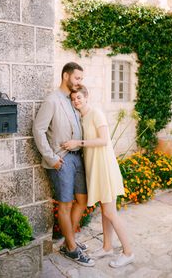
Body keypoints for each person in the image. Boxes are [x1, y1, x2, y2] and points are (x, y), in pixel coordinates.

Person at [62, 85, 134, 268]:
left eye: (79, 97)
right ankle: (107, 247)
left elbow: (104, 140)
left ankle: (128, 252)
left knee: (110, 212)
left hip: (104, 167)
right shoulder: (82, 117)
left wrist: (78, 142)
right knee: (104, 211)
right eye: (73, 99)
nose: (76, 101)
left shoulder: (96, 113)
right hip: (95, 168)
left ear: (86, 96)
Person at [32, 62, 95, 267]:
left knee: (82, 201)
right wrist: (51, 158)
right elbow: (38, 130)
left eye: (81, 79)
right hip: (62, 160)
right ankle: (71, 248)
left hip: (78, 157)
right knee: (66, 205)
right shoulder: (52, 100)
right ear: (66, 76)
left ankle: (70, 242)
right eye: (77, 78)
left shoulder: (72, 100)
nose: (79, 82)